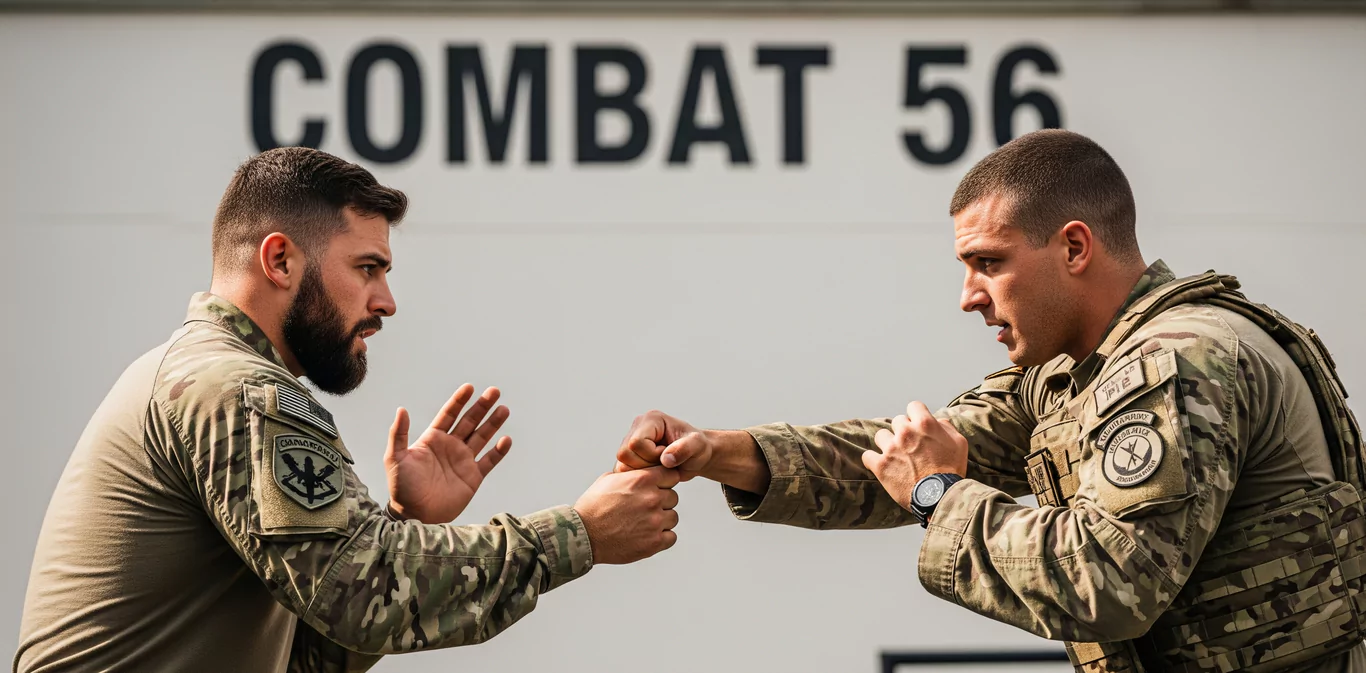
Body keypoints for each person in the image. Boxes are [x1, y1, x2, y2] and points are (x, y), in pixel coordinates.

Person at [615, 129, 1366, 673]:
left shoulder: (1178, 360)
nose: (969, 296)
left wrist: (940, 496)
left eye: (988, 263)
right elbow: (909, 453)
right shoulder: (1077, 370)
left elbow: (1111, 582)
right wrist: (723, 453)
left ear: (1074, 248)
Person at [15, 147, 681, 673]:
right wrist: (579, 533)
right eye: (367, 268)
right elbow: (363, 597)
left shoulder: (208, 377)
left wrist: (403, 522)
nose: (387, 301)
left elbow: (313, 650)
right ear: (280, 259)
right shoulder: (238, 390)